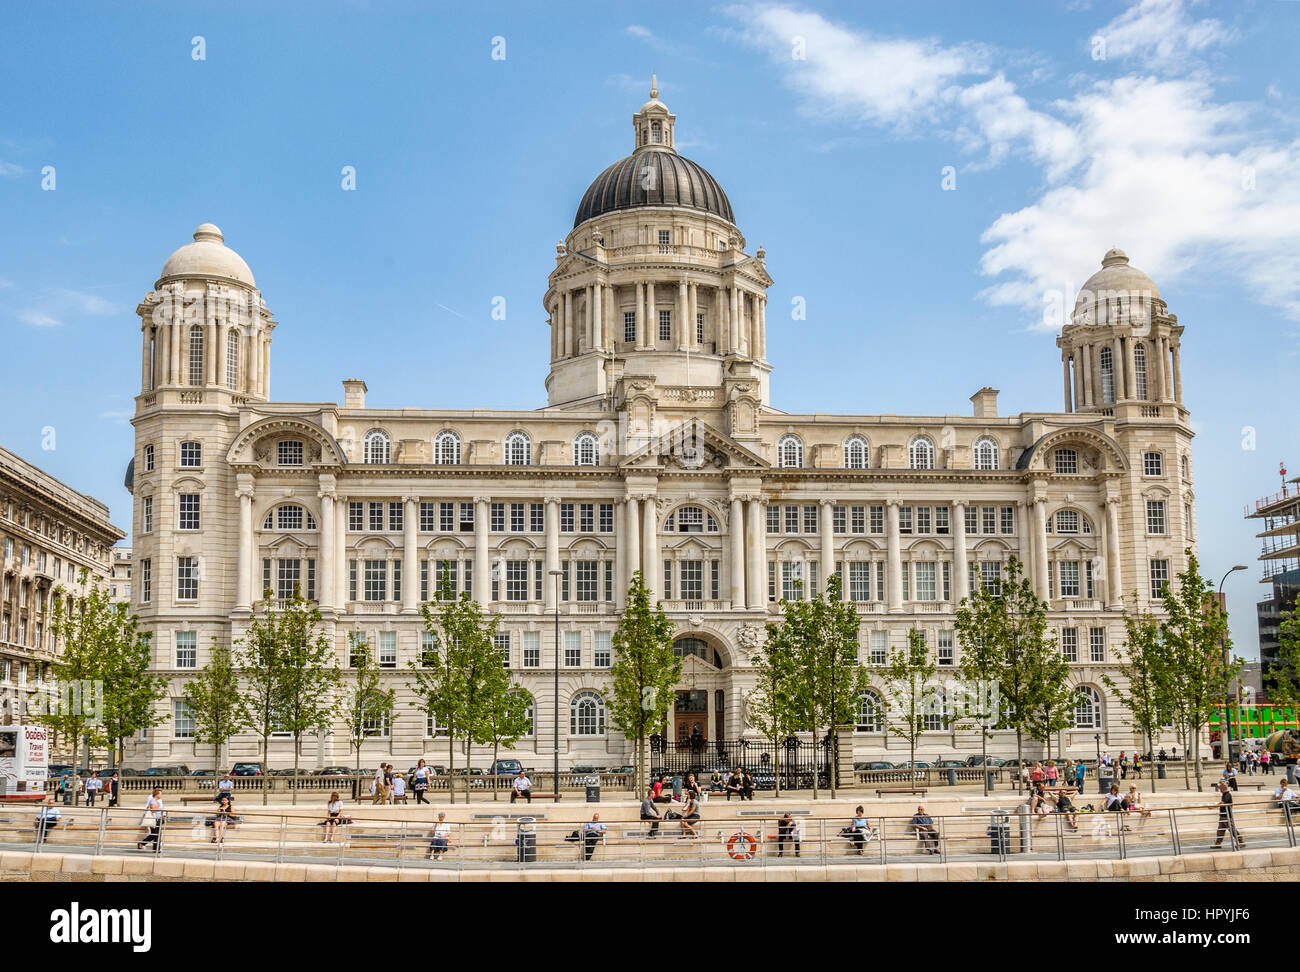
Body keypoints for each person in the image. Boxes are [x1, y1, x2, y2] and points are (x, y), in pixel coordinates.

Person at [1213, 780, 1245, 849]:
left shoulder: (1227, 795)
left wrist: (1213, 807)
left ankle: (1241, 841)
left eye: (1220, 787)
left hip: (1227, 816)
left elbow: (1222, 802)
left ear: (1223, 788)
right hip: (1223, 816)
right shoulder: (1224, 794)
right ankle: (1218, 843)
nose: (1219, 788)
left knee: (1232, 830)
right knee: (1220, 831)